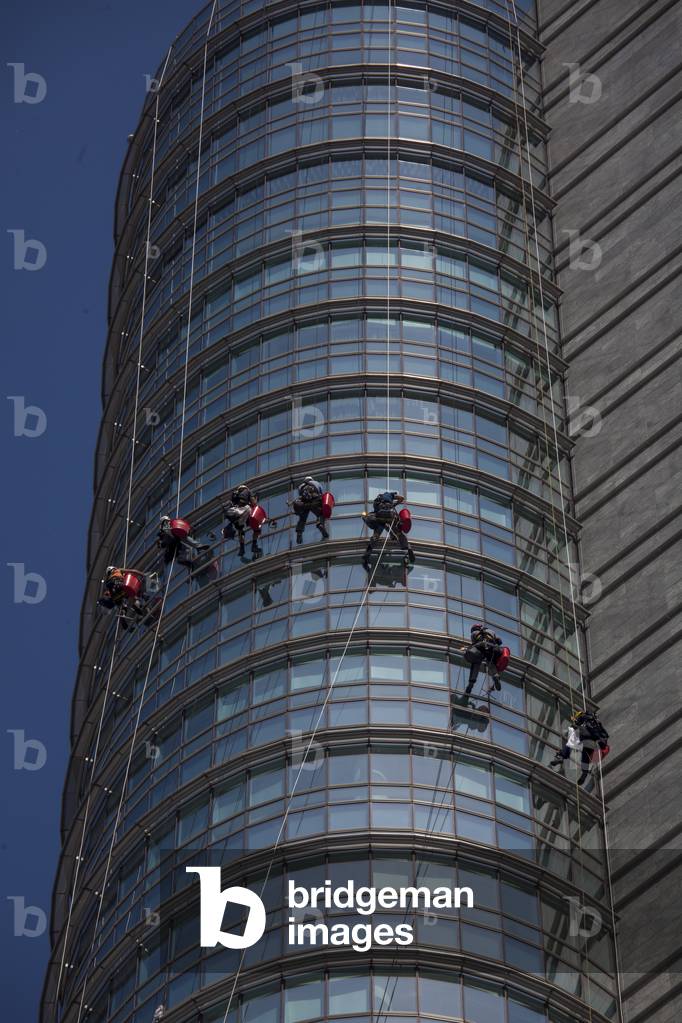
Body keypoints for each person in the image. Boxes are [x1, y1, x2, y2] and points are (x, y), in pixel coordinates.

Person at [549, 710, 609, 785]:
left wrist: (572, 725)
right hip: (594, 742)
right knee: (585, 757)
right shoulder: (596, 722)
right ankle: (584, 773)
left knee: (572, 741)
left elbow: (576, 724)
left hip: (586, 737)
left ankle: (560, 757)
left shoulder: (583, 718)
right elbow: (604, 735)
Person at [362, 491, 414, 569]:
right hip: (390, 516)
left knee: (376, 535)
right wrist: (395, 502)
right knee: (398, 533)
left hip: (379, 518)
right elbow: (402, 498)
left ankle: (367, 553)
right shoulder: (390, 495)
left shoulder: (377, 501)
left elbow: (374, 513)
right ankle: (407, 547)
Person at [463, 623, 503, 694]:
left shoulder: (474, 633)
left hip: (481, 647)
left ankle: (471, 684)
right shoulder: (491, 631)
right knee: (490, 662)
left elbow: (474, 644)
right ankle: (495, 676)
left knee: (476, 663)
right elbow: (499, 641)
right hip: (492, 648)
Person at [223, 484, 258, 555]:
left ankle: (242, 548)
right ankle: (254, 545)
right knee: (256, 528)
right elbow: (253, 503)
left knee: (240, 530)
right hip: (243, 511)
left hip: (234, 513)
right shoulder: (247, 491)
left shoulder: (235, 494)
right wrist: (255, 499)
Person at [293, 476, 328, 544]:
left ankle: (299, 532)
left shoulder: (301, 486)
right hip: (315, 501)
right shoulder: (316, 483)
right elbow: (320, 492)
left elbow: (300, 495)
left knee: (302, 519)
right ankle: (320, 524)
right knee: (320, 513)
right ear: (311, 479)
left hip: (304, 503)